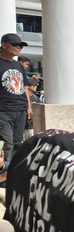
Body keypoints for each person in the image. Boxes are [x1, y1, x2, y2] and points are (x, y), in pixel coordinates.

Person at [0, 33, 32, 163]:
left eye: (20, 46)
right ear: (3, 45)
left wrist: (29, 106)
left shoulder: (18, 65)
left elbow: (24, 87)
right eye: (15, 44)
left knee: (18, 143)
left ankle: (12, 172)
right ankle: (4, 175)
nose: (18, 47)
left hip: (20, 110)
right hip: (3, 111)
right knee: (7, 144)